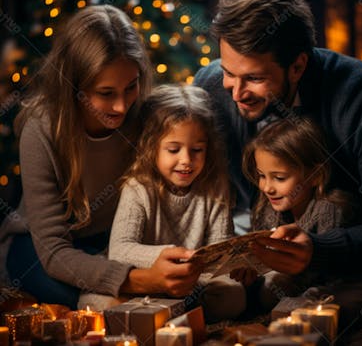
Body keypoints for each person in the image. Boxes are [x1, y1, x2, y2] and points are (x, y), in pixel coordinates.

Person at [194, 0, 362, 330]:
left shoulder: (360, 97)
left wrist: (319, 249)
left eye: (254, 78)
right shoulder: (211, 89)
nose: (236, 92)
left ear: (297, 66)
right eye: (228, 73)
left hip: (341, 259)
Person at [2, 5, 200, 309]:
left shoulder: (147, 116)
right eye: (106, 93)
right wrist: (141, 280)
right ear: (74, 87)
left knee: (183, 296)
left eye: (131, 87)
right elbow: (54, 252)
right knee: (91, 303)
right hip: (40, 248)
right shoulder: (41, 129)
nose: (121, 106)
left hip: (113, 243)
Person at [79, 84, 246, 322]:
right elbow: (120, 249)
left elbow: (219, 249)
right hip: (143, 282)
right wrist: (176, 256)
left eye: (197, 149)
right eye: (173, 149)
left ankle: (170, 314)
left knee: (233, 295)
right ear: (151, 146)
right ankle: (166, 314)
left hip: (192, 282)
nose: (186, 160)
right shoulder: (138, 187)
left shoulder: (215, 186)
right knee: (98, 302)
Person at [232, 117, 356, 310]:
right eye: (262, 175)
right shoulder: (266, 206)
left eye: (279, 178)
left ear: (315, 175)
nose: (266, 187)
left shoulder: (329, 211)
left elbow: (334, 275)